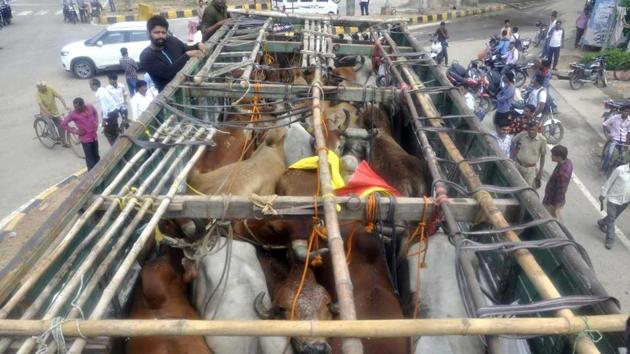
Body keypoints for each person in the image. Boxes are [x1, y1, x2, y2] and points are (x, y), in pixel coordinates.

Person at [140, 15, 208, 92]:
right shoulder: (146, 56)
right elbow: (167, 73)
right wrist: (187, 55)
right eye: (156, 32)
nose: (161, 36)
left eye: (163, 32)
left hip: (187, 88)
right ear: (148, 33)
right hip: (170, 96)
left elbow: (185, 48)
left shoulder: (171, 40)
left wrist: (197, 45)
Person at [597, 161, 630, 249]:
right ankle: (610, 239)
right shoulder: (620, 170)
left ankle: (601, 222)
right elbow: (609, 181)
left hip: (625, 201)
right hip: (613, 199)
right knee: (611, 220)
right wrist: (603, 194)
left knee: (613, 217)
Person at [61, 98, 100, 171]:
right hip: (86, 140)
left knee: (96, 156)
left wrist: (96, 123)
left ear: (83, 105)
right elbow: (63, 124)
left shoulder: (90, 107)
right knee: (90, 159)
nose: (76, 109)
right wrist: (75, 131)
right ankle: (92, 175)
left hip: (94, 137)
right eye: (75, 107)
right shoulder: (73, 114)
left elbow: (95, 113)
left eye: (77, 107)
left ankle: (100, 171)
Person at [512, 120, 547, 188]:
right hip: (518, 165)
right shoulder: (522, 135)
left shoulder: (542, 140)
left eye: (533, 129)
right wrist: (514, 154)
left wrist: (540, 170)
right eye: (529, 129)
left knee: (527, 188)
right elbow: (513, 141)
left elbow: (543, 156)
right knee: (514, 184)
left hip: (530, 169)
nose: (531, 131)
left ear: (537, 129)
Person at [542, 145, 573, 219]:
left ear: (559, 157)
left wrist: (556, 207)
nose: (551, 156)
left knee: (547, 218)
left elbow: (561, 191)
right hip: (551, 199)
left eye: (553, 155)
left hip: (551, 202)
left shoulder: (562, 174)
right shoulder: (567, 162)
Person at [36, 81, 70, 147]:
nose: (45, 87)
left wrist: (65, 106)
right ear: (39, 88)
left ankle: (64, 142)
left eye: (45, 86)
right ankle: (54, 137)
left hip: (54, 111)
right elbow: (41, 105)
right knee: (49, 123)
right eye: (43, 87)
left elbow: (60, 97)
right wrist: (48, 113)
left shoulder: (50, 89)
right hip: (45, 112)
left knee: (61, 125)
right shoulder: (38, 94)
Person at [90, 78, 119, 146]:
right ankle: (117, 140)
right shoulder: (102, 90)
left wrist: (104, 120)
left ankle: (115, 148)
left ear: (95, 85)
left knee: (108, 133)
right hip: (114, 111)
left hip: (110, 114)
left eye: (90, 85)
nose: (90, 87)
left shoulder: (101, 94)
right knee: (113, 130)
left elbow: (105, 108)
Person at [601, 107, 630, 173]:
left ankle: (617, 172)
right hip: (614, 139)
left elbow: (629, 133)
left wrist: (627, 143)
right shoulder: (615, 117)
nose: (626, 113)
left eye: (628, 112)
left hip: (623, 141)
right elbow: (604, 124)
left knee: (623, 158)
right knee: (609, 154)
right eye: (625, 111)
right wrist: (607, 135)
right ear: (622, 111)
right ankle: (603, 169)